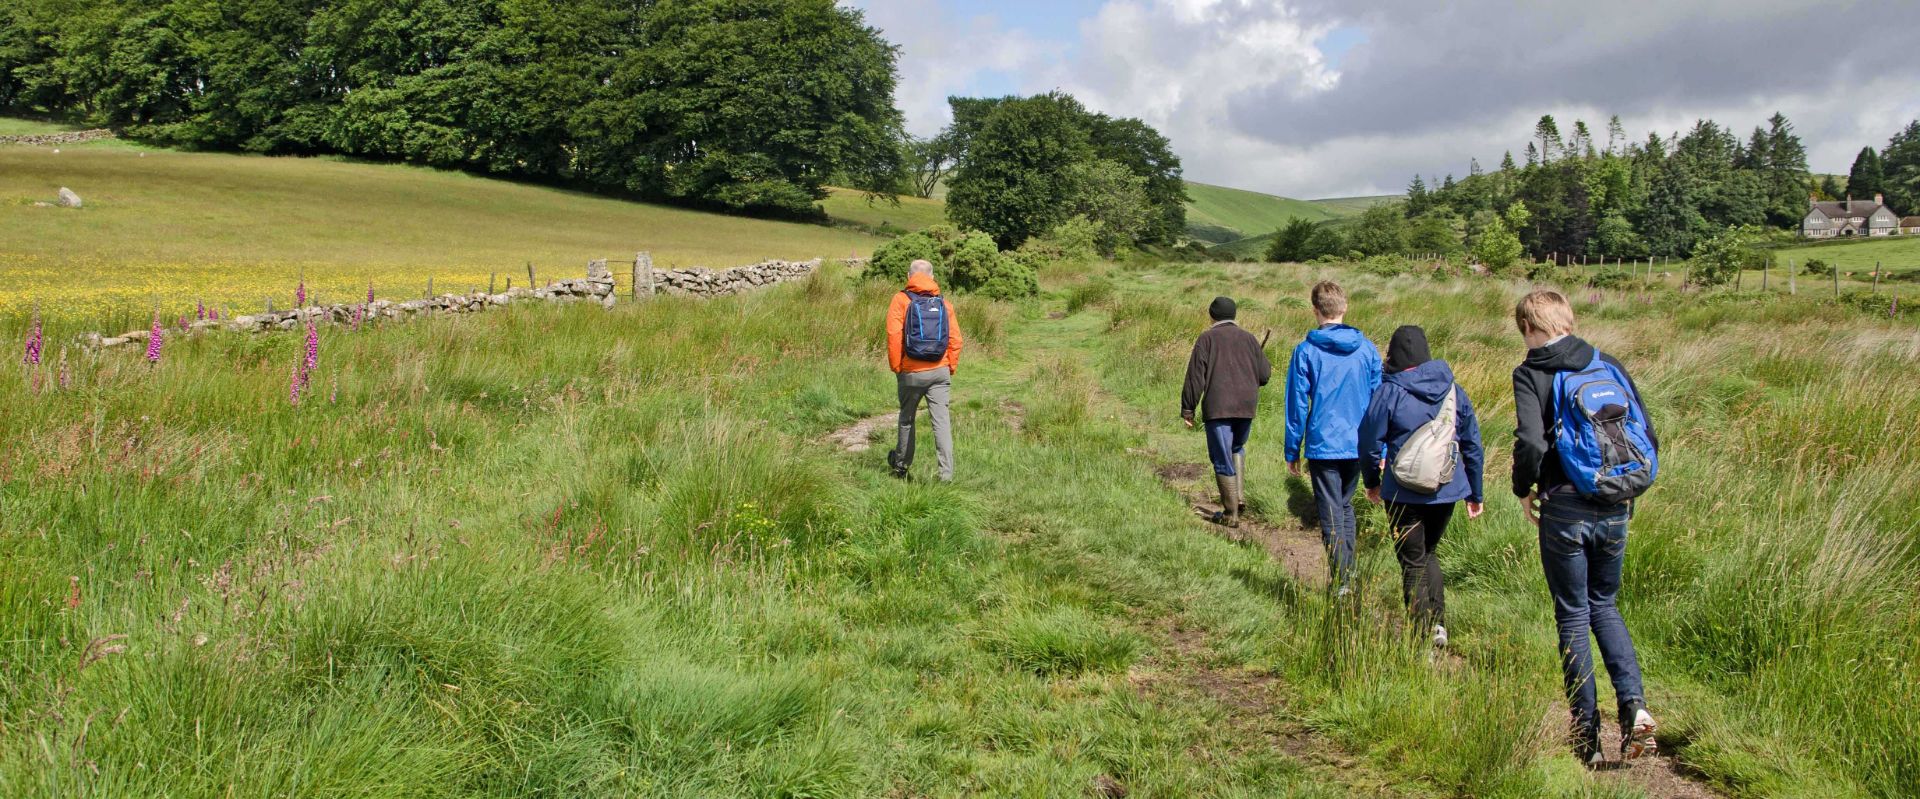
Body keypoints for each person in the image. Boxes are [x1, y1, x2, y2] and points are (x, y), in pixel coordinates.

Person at [1511, 289, 1660, 765]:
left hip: (1564, 508)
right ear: (1568, 321)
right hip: (1616, 503)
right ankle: (1634, 708)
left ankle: (1588, 734)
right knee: (1606, 606)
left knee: (1573, 614)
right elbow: (1648, 433)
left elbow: (1531, 443)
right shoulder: (1606, 362)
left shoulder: (1531, 372)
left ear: (1530, 329)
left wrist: (1523, 487)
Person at [1359, 326, 1484, 650]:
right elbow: (1472, 444)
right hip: (1446, 489)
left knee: (1412, 561)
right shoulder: (1454, 390)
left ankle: (1420, 637)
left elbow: (1369, 441)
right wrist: (1475, 493)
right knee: (1429, 552)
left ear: (1394, 354)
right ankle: (1439, 625)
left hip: (1402, 490)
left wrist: (1372, 481)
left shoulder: (1389, 391)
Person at [1284, 280, 1382, 592]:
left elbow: (1297, 405)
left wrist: (1292, 450)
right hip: (1359, 443)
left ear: (1315, 310)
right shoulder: (1367, 349)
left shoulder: (1305, 351)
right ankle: (1348, 573)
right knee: (1345, 506)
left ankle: (1342, 580)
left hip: (1323, 443)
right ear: (1345, 307)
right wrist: (1380, 446)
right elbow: (1380, 401)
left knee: (1330, 511)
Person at [1180, 296, 1273, 528]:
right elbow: (1264, 375)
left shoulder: (1206, 338)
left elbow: (1195, 376)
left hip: (1219, 407)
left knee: (1221, 457)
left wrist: (1188, 408)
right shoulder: (1249, 339)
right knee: (1237, 448)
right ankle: (1238, 498)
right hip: (1246, 406)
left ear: (1212, 315)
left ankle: (1231, 514)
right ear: (1234, 315)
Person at [886, 260, 964, 481]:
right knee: (941, 422)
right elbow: (956, 339)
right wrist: (950, 366)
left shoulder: (900, 300)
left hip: (910, 372)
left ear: (908, 275)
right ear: (933, 276)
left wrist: (897, 367)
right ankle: (946, 475)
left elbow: (893, 336)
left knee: (907, 419)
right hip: (940, 371)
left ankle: (901, 466)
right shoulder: (944, 304)